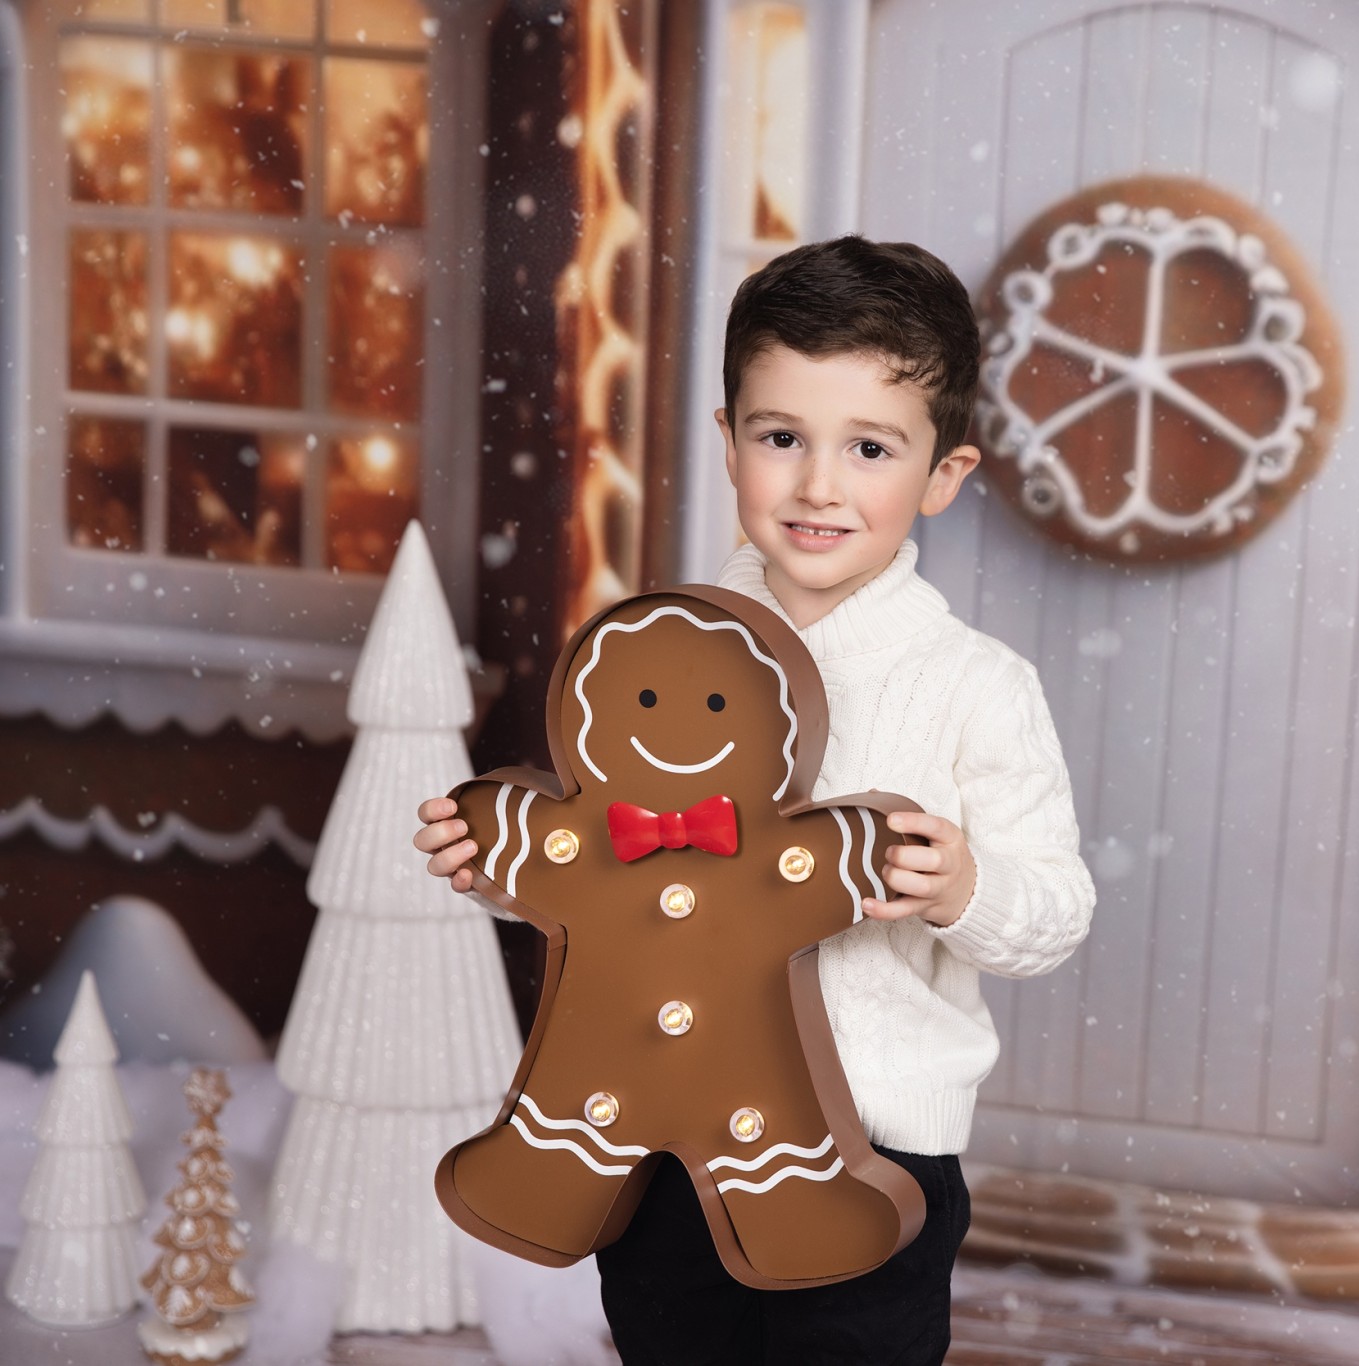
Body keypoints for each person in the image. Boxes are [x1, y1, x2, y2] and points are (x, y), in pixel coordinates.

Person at [414, 235, 1095, 1365]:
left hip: (876, 1152)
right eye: (782, 438)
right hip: (660, 1132)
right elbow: (596, 858)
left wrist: (965, 884)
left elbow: (1056, 912)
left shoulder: (976, 687)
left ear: (942, 475)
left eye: (869, 447)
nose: (818, 485)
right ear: (728, 444)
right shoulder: (646, 655)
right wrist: (494, 869)